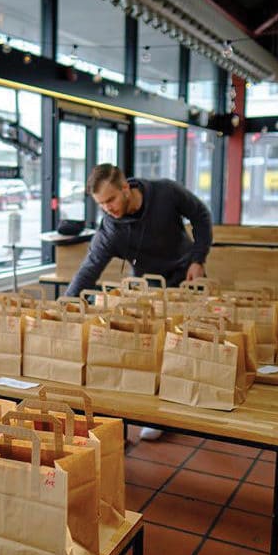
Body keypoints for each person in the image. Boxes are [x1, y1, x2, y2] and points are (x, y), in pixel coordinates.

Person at [64, 164, 213, 440]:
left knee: (185, 346)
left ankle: (186, 404)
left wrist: (198, 258)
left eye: (110, 200)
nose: (107, 208)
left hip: (185, 274)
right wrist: (64, 304)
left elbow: (202, 215)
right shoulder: (111, 228)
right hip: (147, 286)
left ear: (125, 188)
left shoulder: (166, 192)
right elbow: (90, 267)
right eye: (101, 204)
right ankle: (155, 414)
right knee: (149, 347)